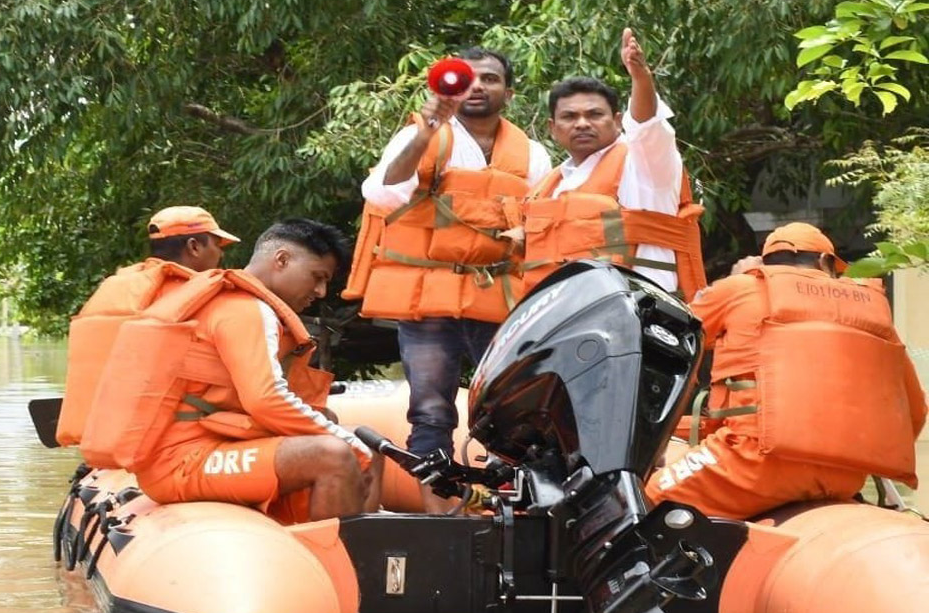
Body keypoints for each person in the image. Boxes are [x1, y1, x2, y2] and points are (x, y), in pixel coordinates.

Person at [343, 47, 551, 512]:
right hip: (429, 301)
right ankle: (440, 514)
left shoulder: (532, 153)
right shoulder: (423, 134)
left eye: (490, 79)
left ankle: (511, 508)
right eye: (469, 78)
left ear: (508, 93)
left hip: (497, 299)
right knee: (431, 409)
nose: (478, 86)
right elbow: (382, 191)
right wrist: (428, 129)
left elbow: (543, 217)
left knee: (514, 409)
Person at [83, 219, 377, 522]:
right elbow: (266, 400)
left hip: (207, 448)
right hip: (181, 461)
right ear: (282, 259)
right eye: (317, 277)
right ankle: (341, 550)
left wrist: (352, 443)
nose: (321, 291)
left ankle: (361, 540)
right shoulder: (247, 309)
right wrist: (351, 447)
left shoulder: (233, 301)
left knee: (359, 442)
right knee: (336, 455)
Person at [646, 222, 926, 519]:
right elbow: (916, 411)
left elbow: (669, 336)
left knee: (644, 502)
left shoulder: (740, 287)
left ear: (765, 264)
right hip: (845, 478)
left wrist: (733, 280)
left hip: (753, 464)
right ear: (826, 262)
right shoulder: (873, 309)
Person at [517, 28, 706, 301]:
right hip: (562, 314)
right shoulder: (547, 187)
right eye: (569, 117)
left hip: (639, 310)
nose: (582, 123)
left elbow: (646, 125)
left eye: (595, 114)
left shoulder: (643, 164)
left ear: (617, 121)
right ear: (552, 128)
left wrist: (641, 77)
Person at [54, 205, 238, 447]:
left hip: (96, 435)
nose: (220, 254)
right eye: (216, 244)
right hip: (163, 441)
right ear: (194, 246)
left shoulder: (113, 288)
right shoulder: (199, 299)